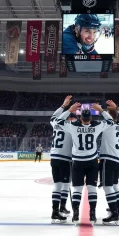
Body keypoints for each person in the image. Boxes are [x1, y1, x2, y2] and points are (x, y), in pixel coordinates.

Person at [57, 101, 114, 225]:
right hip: (92, 162)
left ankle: (76, 213)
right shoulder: (96, 127)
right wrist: (101, 110)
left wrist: (69, 110)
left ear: (80, 118)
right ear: (91, 118)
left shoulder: (73, 127)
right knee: (92, 188)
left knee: (77, 189)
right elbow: (110, 122)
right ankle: (92, 214)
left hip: (77, 162)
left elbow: (58, 121)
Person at [99, 101, 119, 225]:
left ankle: (114, 213)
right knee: (114, 184)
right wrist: (117, 108)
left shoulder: (108, 125)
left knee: (107, 186)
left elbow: (109, 118)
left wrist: (101, 110)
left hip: (108, 159)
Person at [50, 95, 77, 223]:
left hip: (54, 157)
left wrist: (63, 106)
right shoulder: (70, 127)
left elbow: (54, 117)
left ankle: (60, 209)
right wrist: (70, 109)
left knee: (58, 184)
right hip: (65, 158)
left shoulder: (55, 123)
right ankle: (57, 210)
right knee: (64, 184)